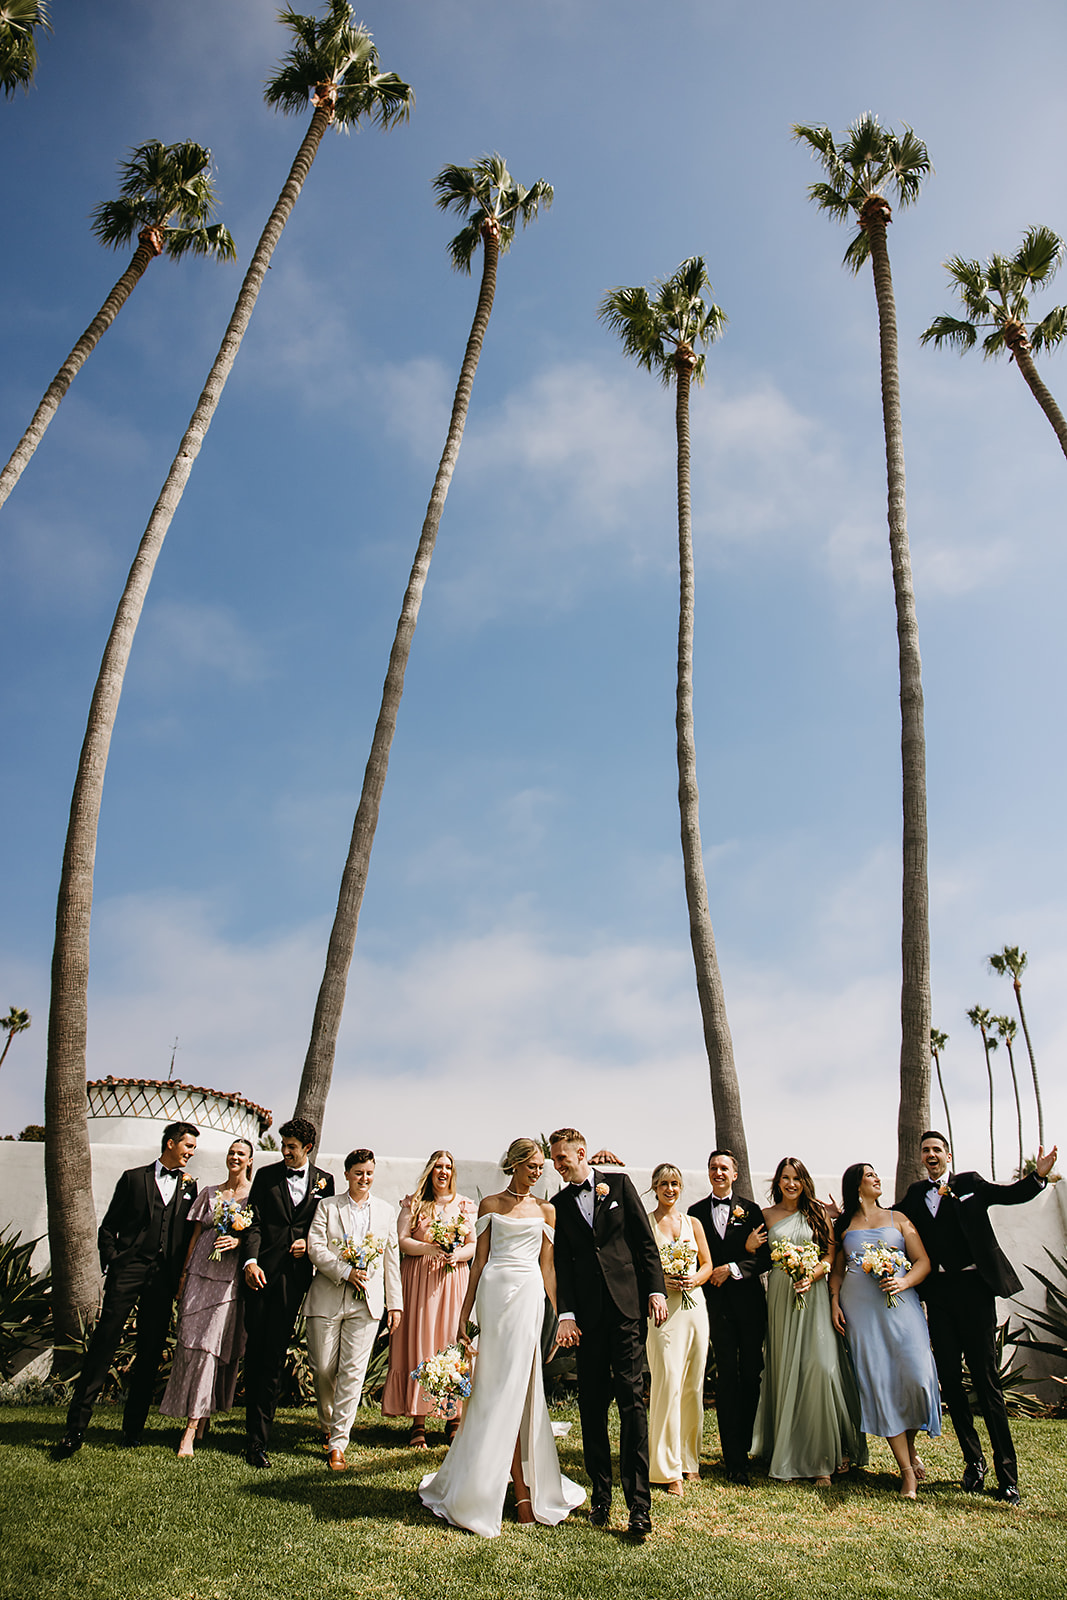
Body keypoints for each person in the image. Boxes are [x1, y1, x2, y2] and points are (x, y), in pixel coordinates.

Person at [418, 1137, 585, 1536]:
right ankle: (503, 1486)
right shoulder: (490, 1204)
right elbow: (478, 1264)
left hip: (528, 1297)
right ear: (515, 1164)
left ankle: (525, 1489)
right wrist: (464, 1312)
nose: (539, 1171)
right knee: (494, 1386)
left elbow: (548, 1269)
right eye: (533, 1165)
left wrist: (561, 1314)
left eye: (542, 1166)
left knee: (521, 1386)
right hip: (494, 1295)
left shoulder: (547, 1210)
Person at [896, 1130, 1059, 1504]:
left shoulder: (969, 1183)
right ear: (921, 1158)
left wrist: (1038, 1176)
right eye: (925, 1151)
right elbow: (885, 1218)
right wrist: (844, 1216)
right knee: (951, 1381)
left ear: (948, 1156)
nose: (931, 1154)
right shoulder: (915, 1196)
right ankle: (974, 1462)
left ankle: (1008, 1476)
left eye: (937, 1149)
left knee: (987, 1383)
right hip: (938, 1297)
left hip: (975, 1292)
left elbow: (1009, 1194)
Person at [550, 1127, 667, 1541]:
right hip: (587, 1318)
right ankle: (601, 1496)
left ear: (581, 1153)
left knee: (632, 1402)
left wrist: (655, 1290)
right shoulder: (559, 1204)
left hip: (626, 1310)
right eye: (554, 1160)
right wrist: (565, 1313)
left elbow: (644, 1242)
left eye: (562, 1159)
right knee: (592, 1405)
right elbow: (562, 1261)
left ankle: (639, 1506)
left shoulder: (618, 1184)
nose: (557, 1166)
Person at [56, 1122, 200, 1457]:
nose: (191, 1153)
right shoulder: (133, 1178)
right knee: (104, 1345)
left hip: (163, 1279)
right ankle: (75, 1429)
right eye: (188, 1146)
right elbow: (109, 1227)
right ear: (170, 1143)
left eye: (193, 1148)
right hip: (129, 1270)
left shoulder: (191, 1186)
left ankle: (133, 1430)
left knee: (150, 1353)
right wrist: (115, 1260)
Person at [751, 1155, 865, 1485]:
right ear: (777, 1182)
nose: (790, 1184)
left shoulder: (816, 1212)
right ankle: (789, 1451)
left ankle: (824, 1459)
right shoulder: (766, 1216)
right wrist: (748, 1244)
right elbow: (754, 1256)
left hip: (813, 1295)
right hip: (782, 1299)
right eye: (785, 1178)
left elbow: (830, 1254)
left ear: (804, 1182)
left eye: (796, 1178)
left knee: (821, 1368)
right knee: (788, 1371)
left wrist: (812, 1274)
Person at [829, 1162, 939, 1498]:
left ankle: (911, 1447)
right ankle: (906, 1472)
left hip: (903, 1309)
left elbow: (923, 1261)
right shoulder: (844, 1226)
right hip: (861, 1312)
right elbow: (837, 1272)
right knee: (882, 1383)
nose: (877, 1179)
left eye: (877, 1174)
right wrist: (834, 1303)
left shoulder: (900, 1219)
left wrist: (904, 1280)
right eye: (870, 1175)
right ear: (857, 1186)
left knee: (918, 1379)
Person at [241, 1116, 334, 1468]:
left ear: (307, 1148)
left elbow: (323, 1226)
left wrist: (307, 1244)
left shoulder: (325, 1181)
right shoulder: (266, 1176)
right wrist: (250, 1261)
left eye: (292, 1147)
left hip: (295, 1281)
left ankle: (262, 1434)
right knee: (257, 1352)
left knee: (275, 1354)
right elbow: (254, 1221)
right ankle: (254, 1440)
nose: (285, 1152)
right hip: (260, 1275)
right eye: (283, 1145)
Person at [306, 1147, 402, 1471]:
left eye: (370, 1173)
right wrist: (344, 1271)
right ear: (347, 1174)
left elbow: (391, 1260)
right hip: (328, 1296)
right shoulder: (327, 1207)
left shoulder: (386, 1211)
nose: (365, 1178)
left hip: (368, 1303)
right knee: (322, 1368)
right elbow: (315, 1248)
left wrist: (395, 1304)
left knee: (353, 1373)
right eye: (359, 1173)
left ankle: (338, 1442)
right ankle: (327, 1421)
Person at [160, 1137, 254, 1456]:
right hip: (199, 1272)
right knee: (189, 1344)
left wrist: (239, 1243)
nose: (234, 1157)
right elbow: (196, 1236)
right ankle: (201, 1416)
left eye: (241, 1154)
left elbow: (258, 1239)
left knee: (209, 1349)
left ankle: (189, 1428)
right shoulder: (209, 1193)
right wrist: (184, 1277)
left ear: (250, 1160)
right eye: (231, 1152)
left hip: (228, 1280)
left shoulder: (255, 1197)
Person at [382, 1148, 477, 1448]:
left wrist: (456, 1255)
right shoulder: (415, 1203)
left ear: (453, 1173)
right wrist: (430, 1248)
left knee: (452, 1342)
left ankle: (454, 1418)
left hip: (453, 1279)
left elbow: (474, 1243)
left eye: (448, 1167)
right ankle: (418, 1421)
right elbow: (402, 1241)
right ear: (430, 1171)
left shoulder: (464, 1205)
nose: (443, 1171)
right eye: (438, 1166)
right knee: (421, 1342)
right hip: (419, 1280)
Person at [688, 1148, 770, 1486]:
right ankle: (733, 1459)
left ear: (735, 1174)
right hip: (716, 1308)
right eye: (713, 1167)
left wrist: (736, 1264)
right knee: (726, 1380)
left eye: (724, 1168)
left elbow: (765, 1259)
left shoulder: (751, 1211)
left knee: (752, 1375)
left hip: (750, 1306)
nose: (718, 1172)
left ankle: (746, 1445)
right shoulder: (694, 1213)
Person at [646, 1162, 712, 1494]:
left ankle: (689, 1461)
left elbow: (707, 1264)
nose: (670, 1189)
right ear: (654, 1188)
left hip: (695, 1307)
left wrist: (694, 1280)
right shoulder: (646, 1223)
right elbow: (637, 1267)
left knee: (692, 1385)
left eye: (675, 1184)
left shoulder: (693, 1223)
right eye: (663, 1184)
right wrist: (662, 1281)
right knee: (667, 1380)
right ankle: (666, 1467)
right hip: (662, 1310)